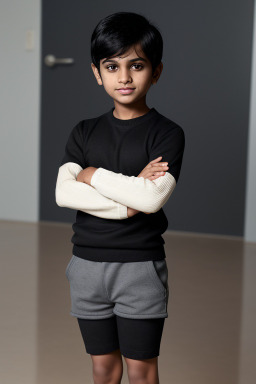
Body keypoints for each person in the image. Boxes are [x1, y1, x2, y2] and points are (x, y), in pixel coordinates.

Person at [55, 11, 185, 384]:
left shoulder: (167, 134)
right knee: (103, 368)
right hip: (86, 267)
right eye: (112, 66)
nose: (124, 77)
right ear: (97, 73)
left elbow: (151, 199)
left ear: (155, 71)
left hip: (139, 269)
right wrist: (129, 199)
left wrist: (92, 175)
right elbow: (65, 193)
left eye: (136, 65)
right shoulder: (83, 132)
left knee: (142, 372)